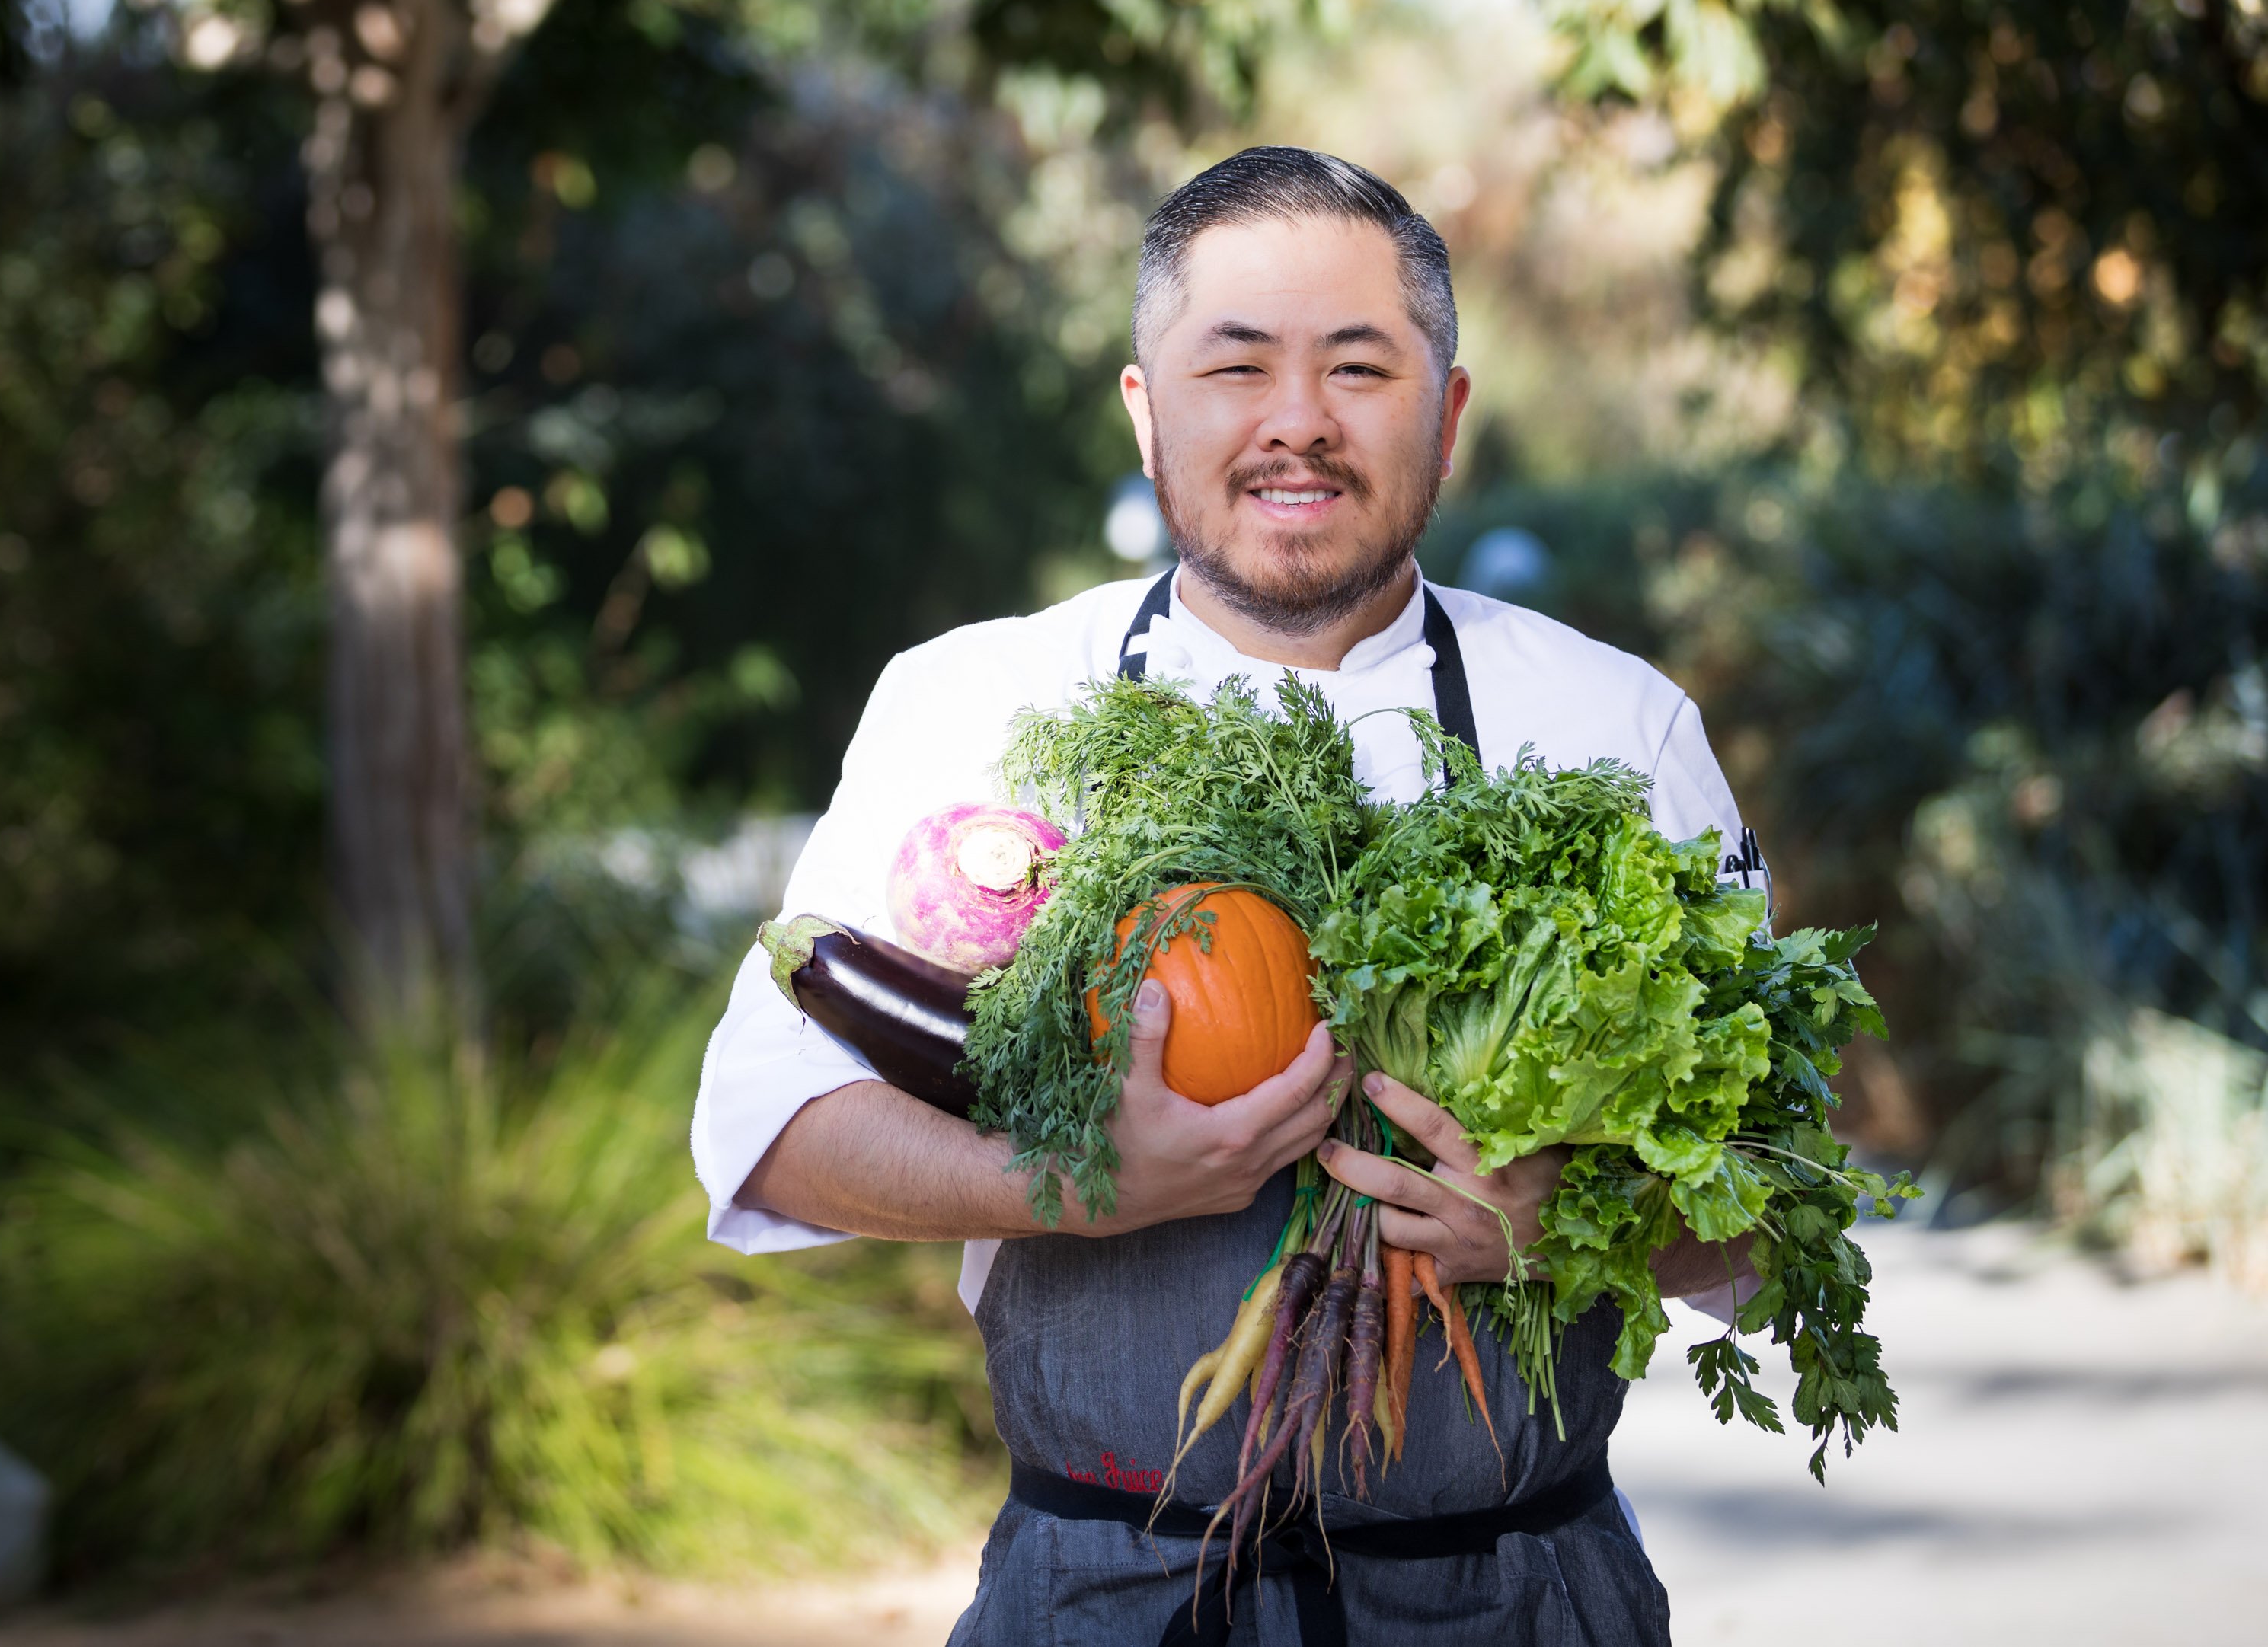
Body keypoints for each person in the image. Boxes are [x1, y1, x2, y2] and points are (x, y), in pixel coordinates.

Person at [689, 148, 1761, 1645]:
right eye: (1234, 364)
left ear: (1446, 417)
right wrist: (1072, 1181)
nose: (1295, 422)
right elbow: (773, 1120)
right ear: (1143, 411)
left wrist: (1569, 1215)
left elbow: (1771, 1194)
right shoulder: (976, 705)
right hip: (1102, 1596)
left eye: (1358, 367)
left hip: (1520, 1599)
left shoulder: (1609, 726)